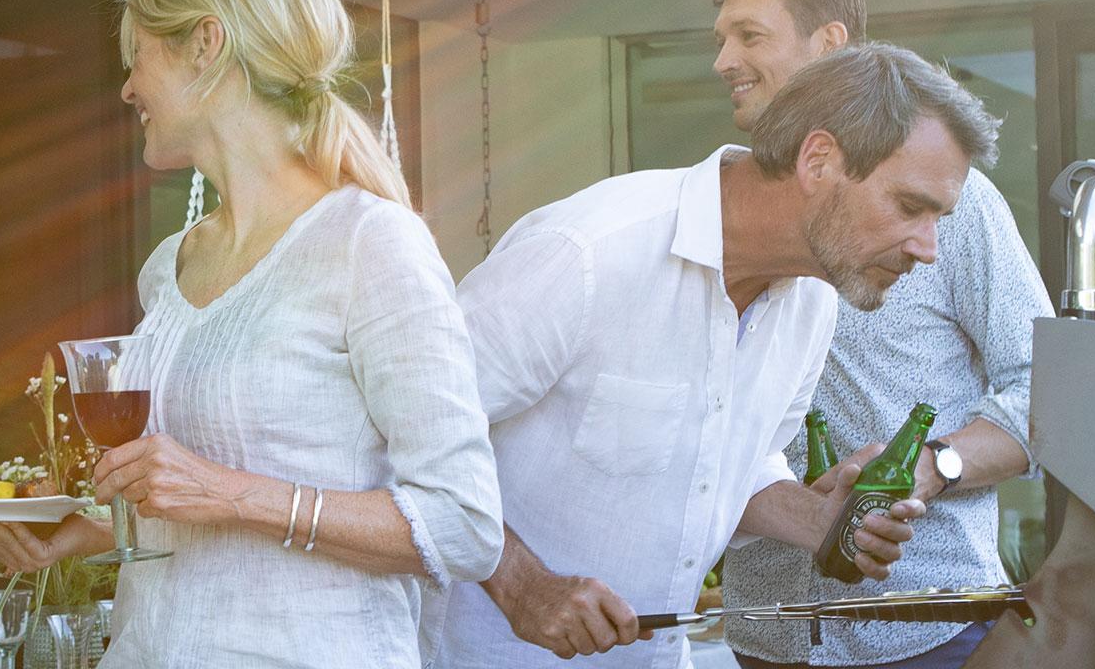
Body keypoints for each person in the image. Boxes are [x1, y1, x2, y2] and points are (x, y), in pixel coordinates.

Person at [0, 0, 503, 666]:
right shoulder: (169, 264)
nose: (126, 88)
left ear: (206, 44)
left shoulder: (371, 244)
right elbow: (182, 500)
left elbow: (466, 527)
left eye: (137, 58)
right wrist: (88, 526)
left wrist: (234, 495)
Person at [425, 42, 1002, 668]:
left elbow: (732, 461)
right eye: (911, 207)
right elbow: (410, 434)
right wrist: (519, 584)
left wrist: (813, 518)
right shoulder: (587, 253)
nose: (929, 248)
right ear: (819, 160)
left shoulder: (813, 303)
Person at [700, 0, 1049, 667]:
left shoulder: (956, 202)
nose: (723, 61)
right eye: (722, 37)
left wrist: (934, 463)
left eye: (750, 36)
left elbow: (1051, 392)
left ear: (828, 43)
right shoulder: (720, 215)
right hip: (765, 634)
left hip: (931, 630)